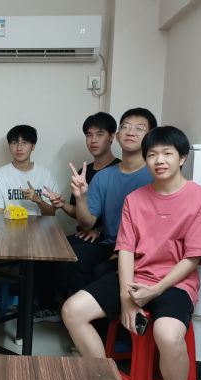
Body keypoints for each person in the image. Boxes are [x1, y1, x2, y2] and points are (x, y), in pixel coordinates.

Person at [62, 126, 201, 380]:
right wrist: (126, 296)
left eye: (167, 153)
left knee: (167, 334)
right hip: (135, 277)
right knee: (73, 310)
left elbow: (193, 257)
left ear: (182, 158)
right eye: (152, 155)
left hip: (174, 283)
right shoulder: (135, 199)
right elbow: (126, 250)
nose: (159, 160)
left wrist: (156, 290)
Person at [59, 108, 157, 293]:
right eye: (125, 127)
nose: (130, 132)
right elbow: (87, 223)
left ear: (151, 137)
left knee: (102, 271)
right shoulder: (102, 177)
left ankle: (92, 306)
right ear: (118, 135)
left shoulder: (156, 176)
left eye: (139, 128)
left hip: (142, 249)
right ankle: (87, 306)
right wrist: (81, 197)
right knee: (68, 256)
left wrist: (122, 253)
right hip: (110, 244)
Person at [0, 124, 61, 322]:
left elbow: (51, 213)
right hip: (7, 234)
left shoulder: (44, 175)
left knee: (52, 256)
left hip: (39, 236)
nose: (19, 147)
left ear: (33, 146)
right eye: (14, 142)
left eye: (24, 142)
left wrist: (38, 200)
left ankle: (45, 305)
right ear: (9, 146)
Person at [43, 111, 120, 239]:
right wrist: (63, 205)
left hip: (110, 239)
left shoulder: (120, 170)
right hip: (86, 234)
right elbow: (78, 212)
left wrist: (99, 230)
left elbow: (126, 214)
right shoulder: (83, 172)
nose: (93, 140)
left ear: (112, 136)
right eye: (89, 135)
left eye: (100, 134)